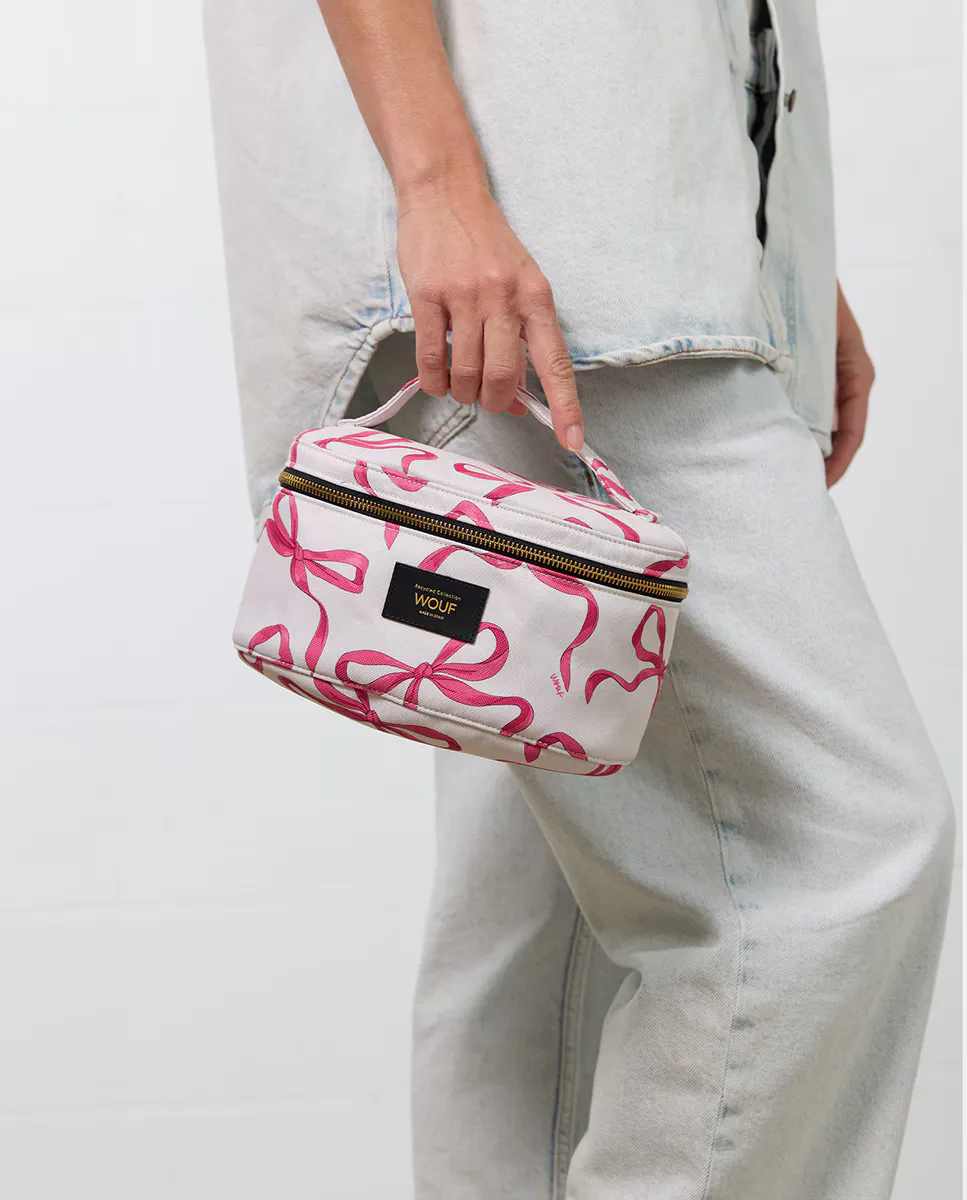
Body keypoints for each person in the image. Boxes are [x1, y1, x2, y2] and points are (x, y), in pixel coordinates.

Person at [203, 1, 956, 1196]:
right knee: (825, 852)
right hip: (559, 257)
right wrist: (439, 184)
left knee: (539, 920)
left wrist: (779, 256)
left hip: (613, 231)